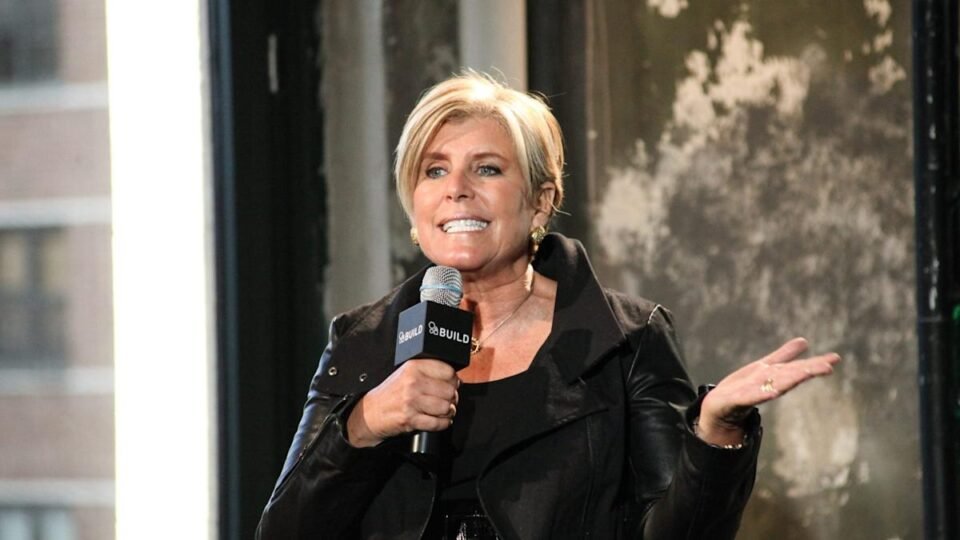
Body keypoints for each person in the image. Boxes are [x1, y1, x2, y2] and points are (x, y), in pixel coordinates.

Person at [255, 72, 841, 540]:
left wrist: (714, 432)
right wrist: (363, 424)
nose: (456, 188)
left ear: (540, 202)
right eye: (434, 171)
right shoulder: (364, 340)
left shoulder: (627, 340)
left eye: (487, 168)